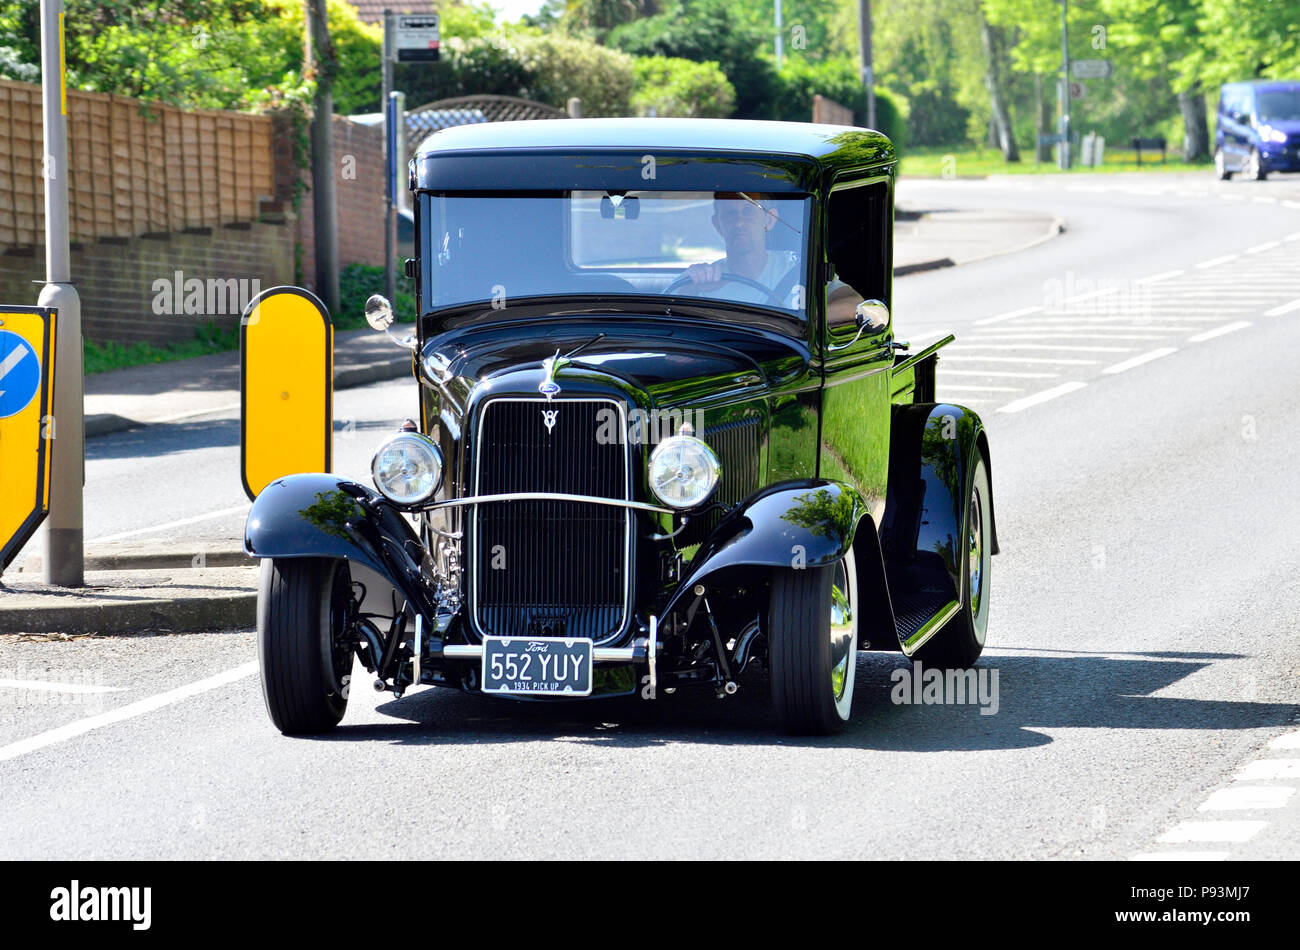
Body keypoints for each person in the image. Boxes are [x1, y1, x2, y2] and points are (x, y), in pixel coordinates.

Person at [680, 192, 799, 307]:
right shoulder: (701, 283)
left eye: (748, 211)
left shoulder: (799, 270)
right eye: (729, 214)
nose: (739, 223)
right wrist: (686, 290)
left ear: (769, 220)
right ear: (717, 225)